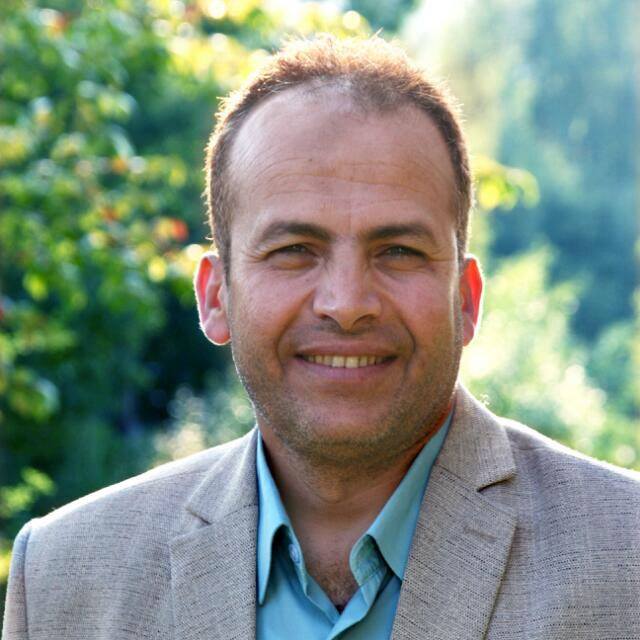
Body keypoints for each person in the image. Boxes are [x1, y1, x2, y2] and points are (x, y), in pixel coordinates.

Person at [3, 35, 639, 640]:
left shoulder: (626, 559)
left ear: (466, 300)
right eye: (294, 250)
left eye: (398, 251)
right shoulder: (65, 581)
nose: (347, 304)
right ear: (215, 297)